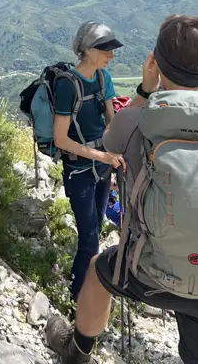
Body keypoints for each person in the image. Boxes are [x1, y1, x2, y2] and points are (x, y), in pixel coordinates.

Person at [47, 15, 198, 364]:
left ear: (156, 61)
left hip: (145, 273)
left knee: (97, 271)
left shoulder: (137, 121)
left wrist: (146, 88)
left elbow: (112, 138)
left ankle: (78, 351)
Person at [53, 22, 125, 306]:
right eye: (105, 49)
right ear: (86, 50)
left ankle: (83, 294)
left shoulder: (104, 78)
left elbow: (111, 123)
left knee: (95, 229)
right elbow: (60, 138)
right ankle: (77, 299)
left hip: (103, 169)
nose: (111, 55)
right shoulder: (67, 85)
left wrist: (117, 154)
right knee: (90, 237)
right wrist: (102, 156)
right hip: (79, 172)